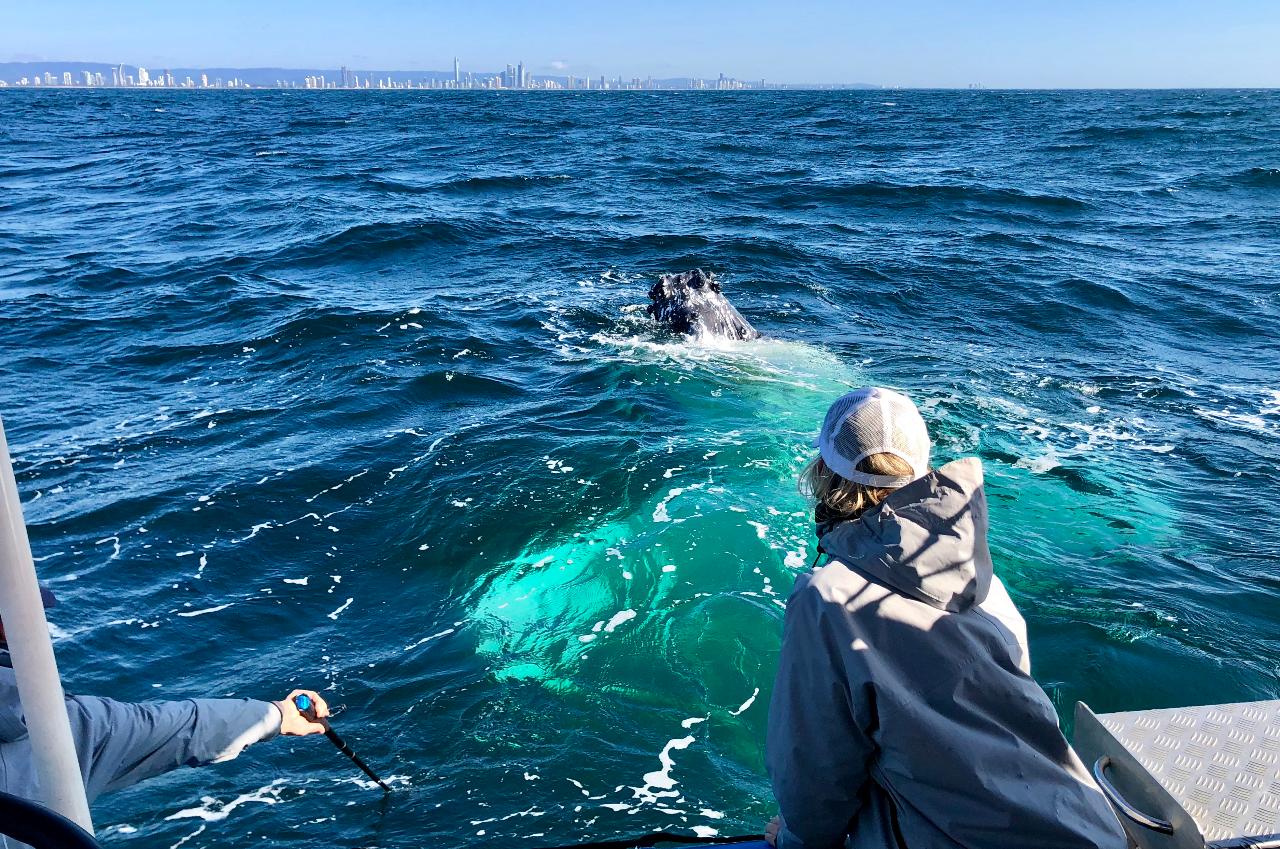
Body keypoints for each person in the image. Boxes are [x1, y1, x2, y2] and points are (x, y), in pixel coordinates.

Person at [764, 387, 1126, 849]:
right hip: (1084, 826)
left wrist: (793, 841)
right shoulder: (978, 576)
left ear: (822, 472)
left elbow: (813, 771)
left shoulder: (826, 597)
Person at [0, 591, 330, 830]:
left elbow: (178, 726)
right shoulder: (63, 726)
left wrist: (276, 714)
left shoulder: (64, 722)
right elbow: (178, 728)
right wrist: (277, 715)